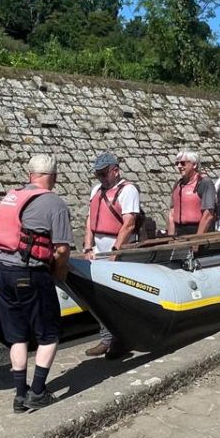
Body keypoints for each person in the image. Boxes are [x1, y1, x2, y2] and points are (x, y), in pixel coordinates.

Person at [0, 154, 73, 412]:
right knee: (49, 334)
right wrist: (57, 275)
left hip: (2, 271)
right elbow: (61, 250)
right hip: (31, 273)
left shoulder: (10, 197)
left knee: (17, 336)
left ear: (30, 175)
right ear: (55, 177)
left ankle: (20, 395)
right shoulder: (55, 203)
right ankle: (38, 392)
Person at [84, 152, 141, 357]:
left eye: (103, 174)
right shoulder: (96, 191)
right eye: (98, 174)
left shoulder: (128, 191)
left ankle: (122, 339)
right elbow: (90, 220)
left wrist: (116, 251)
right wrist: (88, 247)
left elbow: (129, 224)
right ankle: (106, 338)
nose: (100, 178)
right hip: (99, 250)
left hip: (119, 252)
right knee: (100, 297)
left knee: (119, 297)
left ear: (115, 171)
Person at [167, 150, 216, 236]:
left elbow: (208, 214)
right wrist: (171, 239)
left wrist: (197, 241)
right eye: (177, 163)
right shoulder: (178, 184)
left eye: (183, 163)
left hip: (197, 230)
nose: (179, 166)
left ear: (194, 165)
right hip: (179, 231)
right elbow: (172, 213)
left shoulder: (204, 183)